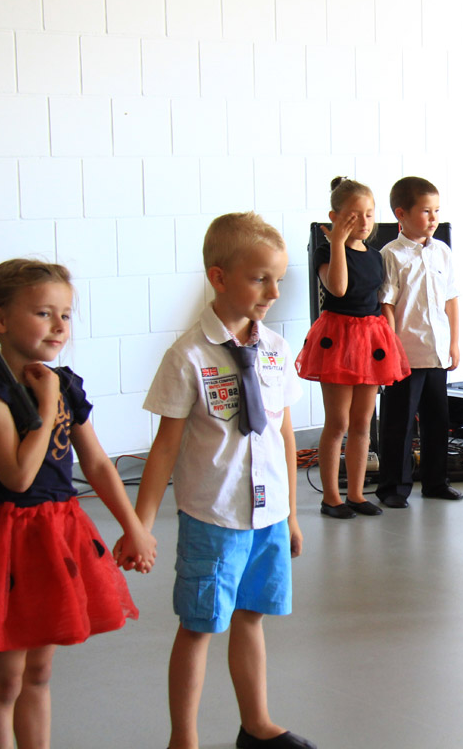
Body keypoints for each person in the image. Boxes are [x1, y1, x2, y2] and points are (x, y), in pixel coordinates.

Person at [0, 258, 156, 749]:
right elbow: (18, 476)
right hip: (9, 538)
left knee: (38, 673)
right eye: (44, 313)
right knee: (5, 679)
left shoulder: (65, 383)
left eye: (66, 315)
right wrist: (48, 403)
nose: (59, 326)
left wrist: (134, 526)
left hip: (59, 533)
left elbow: (97, 463)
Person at [135, 212, 314, 749]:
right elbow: (165, 448)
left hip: (269, 515)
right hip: (214, 516)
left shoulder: (276, 349)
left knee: (251, 616)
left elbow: (284, 434)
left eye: (278, 279)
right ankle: (183, 738)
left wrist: (292, 515)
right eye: (260, 279)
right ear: (218, 277)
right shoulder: (188, 355)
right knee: (199, 626)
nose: (274, 292)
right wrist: (141, 525)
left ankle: (256, 725)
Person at [296, 176, 411, 519]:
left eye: (369, 215)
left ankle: (357, 493)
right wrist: (336, 242)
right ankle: (331, 497)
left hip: (370, 340)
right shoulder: (326, 251)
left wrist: (388, 336)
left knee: (363, 422)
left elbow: (378, 300)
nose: (363, 222)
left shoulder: (375, 256)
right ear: (335, 217)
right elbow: (339, 288)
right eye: (353, 216)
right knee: (338, 423)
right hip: (338, 340)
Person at [376, 176, 463, 508]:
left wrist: (454, 343)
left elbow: (451, 300)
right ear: (401, 214)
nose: (433, 218)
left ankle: (436, 481)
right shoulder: (391, 254)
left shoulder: (442, 252)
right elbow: (386, 304)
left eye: (436, 210)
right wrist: (391, 348)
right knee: (399, 424)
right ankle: (394, 488)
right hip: (406, 354)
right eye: (426, 211)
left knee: (437, 421)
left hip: (436, 352)